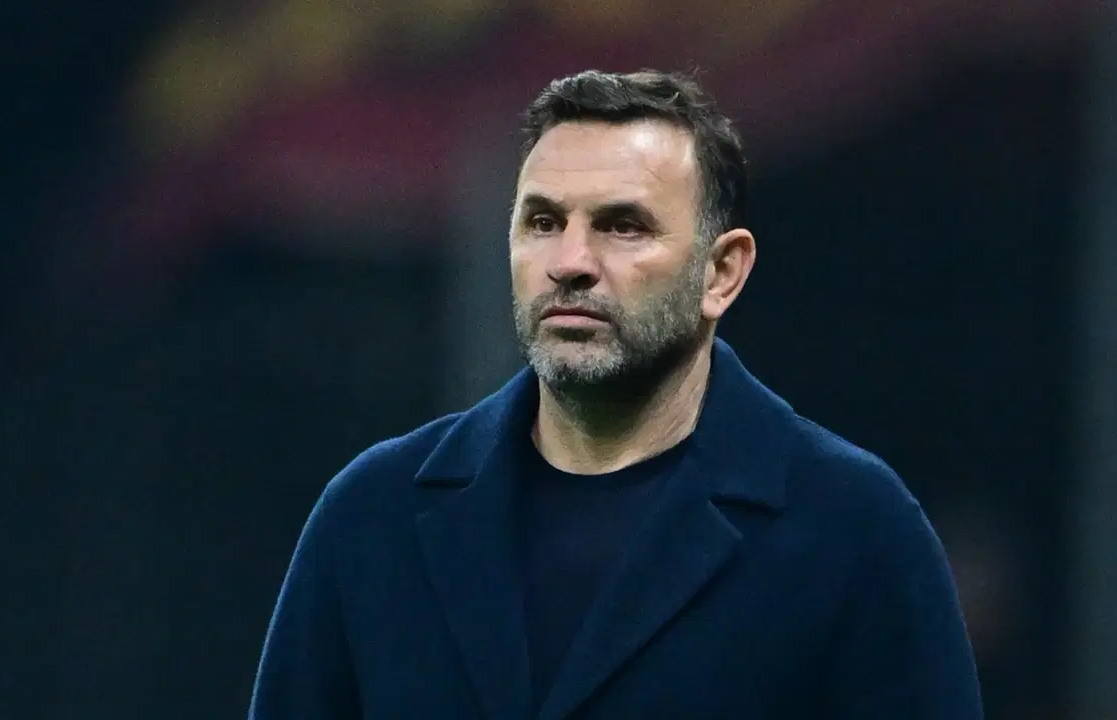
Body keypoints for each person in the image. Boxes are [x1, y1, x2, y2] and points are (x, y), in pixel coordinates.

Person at [249, 69, 983, 719]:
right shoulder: (373, 516)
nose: (570, 262)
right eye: (543, 222)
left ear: (721, 272)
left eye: (623, 226)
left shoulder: (853, 530)